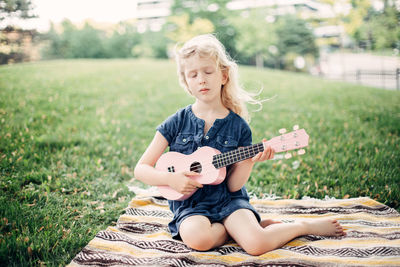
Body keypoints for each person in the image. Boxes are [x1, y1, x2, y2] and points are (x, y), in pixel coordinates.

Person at [134, 34, 346, 256]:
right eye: (193, 75)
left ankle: (301, 227)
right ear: (186, 82)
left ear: (224, 76)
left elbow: (234, 186)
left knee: (257, 245)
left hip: (229, 201)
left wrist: (247, 162)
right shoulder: (176, 121)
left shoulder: (238, 127)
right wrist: (170, 179)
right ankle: (234, 232)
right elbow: (142, 168)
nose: (201, 80)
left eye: (208, 72)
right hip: (191, 207)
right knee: (198, 238)